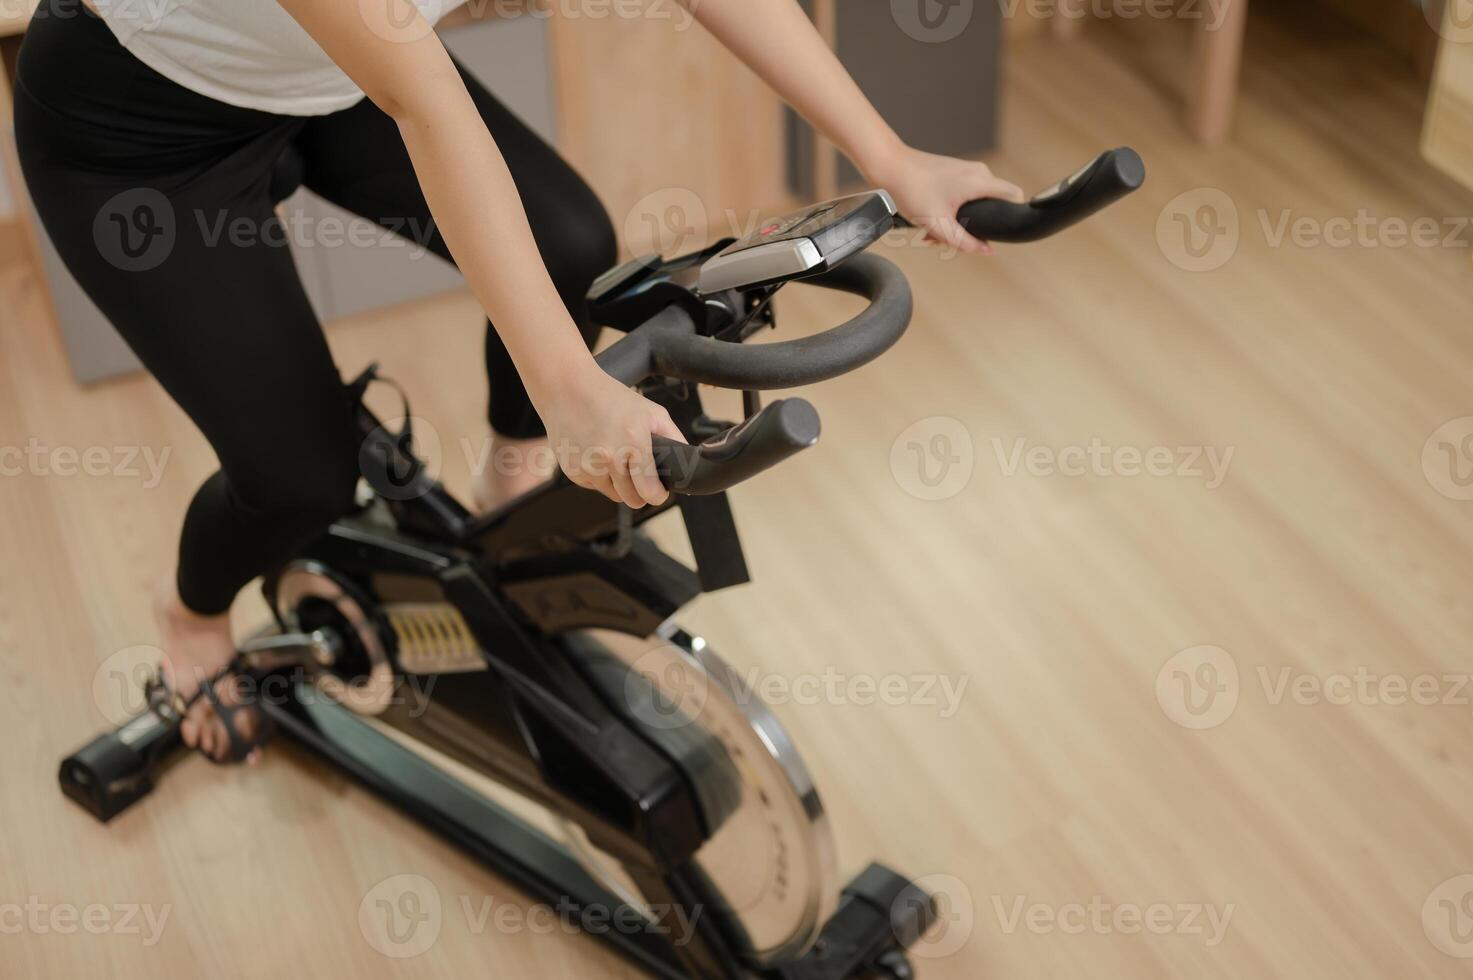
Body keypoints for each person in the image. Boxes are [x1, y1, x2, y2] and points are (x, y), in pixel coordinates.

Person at [14, 0, 1023, 761]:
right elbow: (422, 100)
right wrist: (570, 387)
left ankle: (511, 471)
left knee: (570, 242)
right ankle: (188, 615)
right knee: (301, 476)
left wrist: (890, 157)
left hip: (334, 74)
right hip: (141, 134)